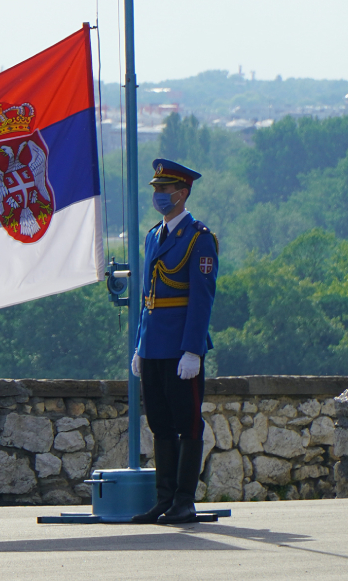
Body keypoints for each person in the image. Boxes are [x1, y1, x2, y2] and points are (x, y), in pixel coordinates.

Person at [130, 159, 218, 525]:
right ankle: (163, 499)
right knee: (160, 425)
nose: (158, 195)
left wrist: (193, 350)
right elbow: (147, 296)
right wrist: (139, 344)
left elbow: (201, 299)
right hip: (153, 345)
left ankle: (185, 501)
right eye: (155, 189)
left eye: (164, 190)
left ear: (182, 194)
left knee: (188, 424)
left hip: (181, 347)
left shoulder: (200, 239)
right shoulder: (154, 235)